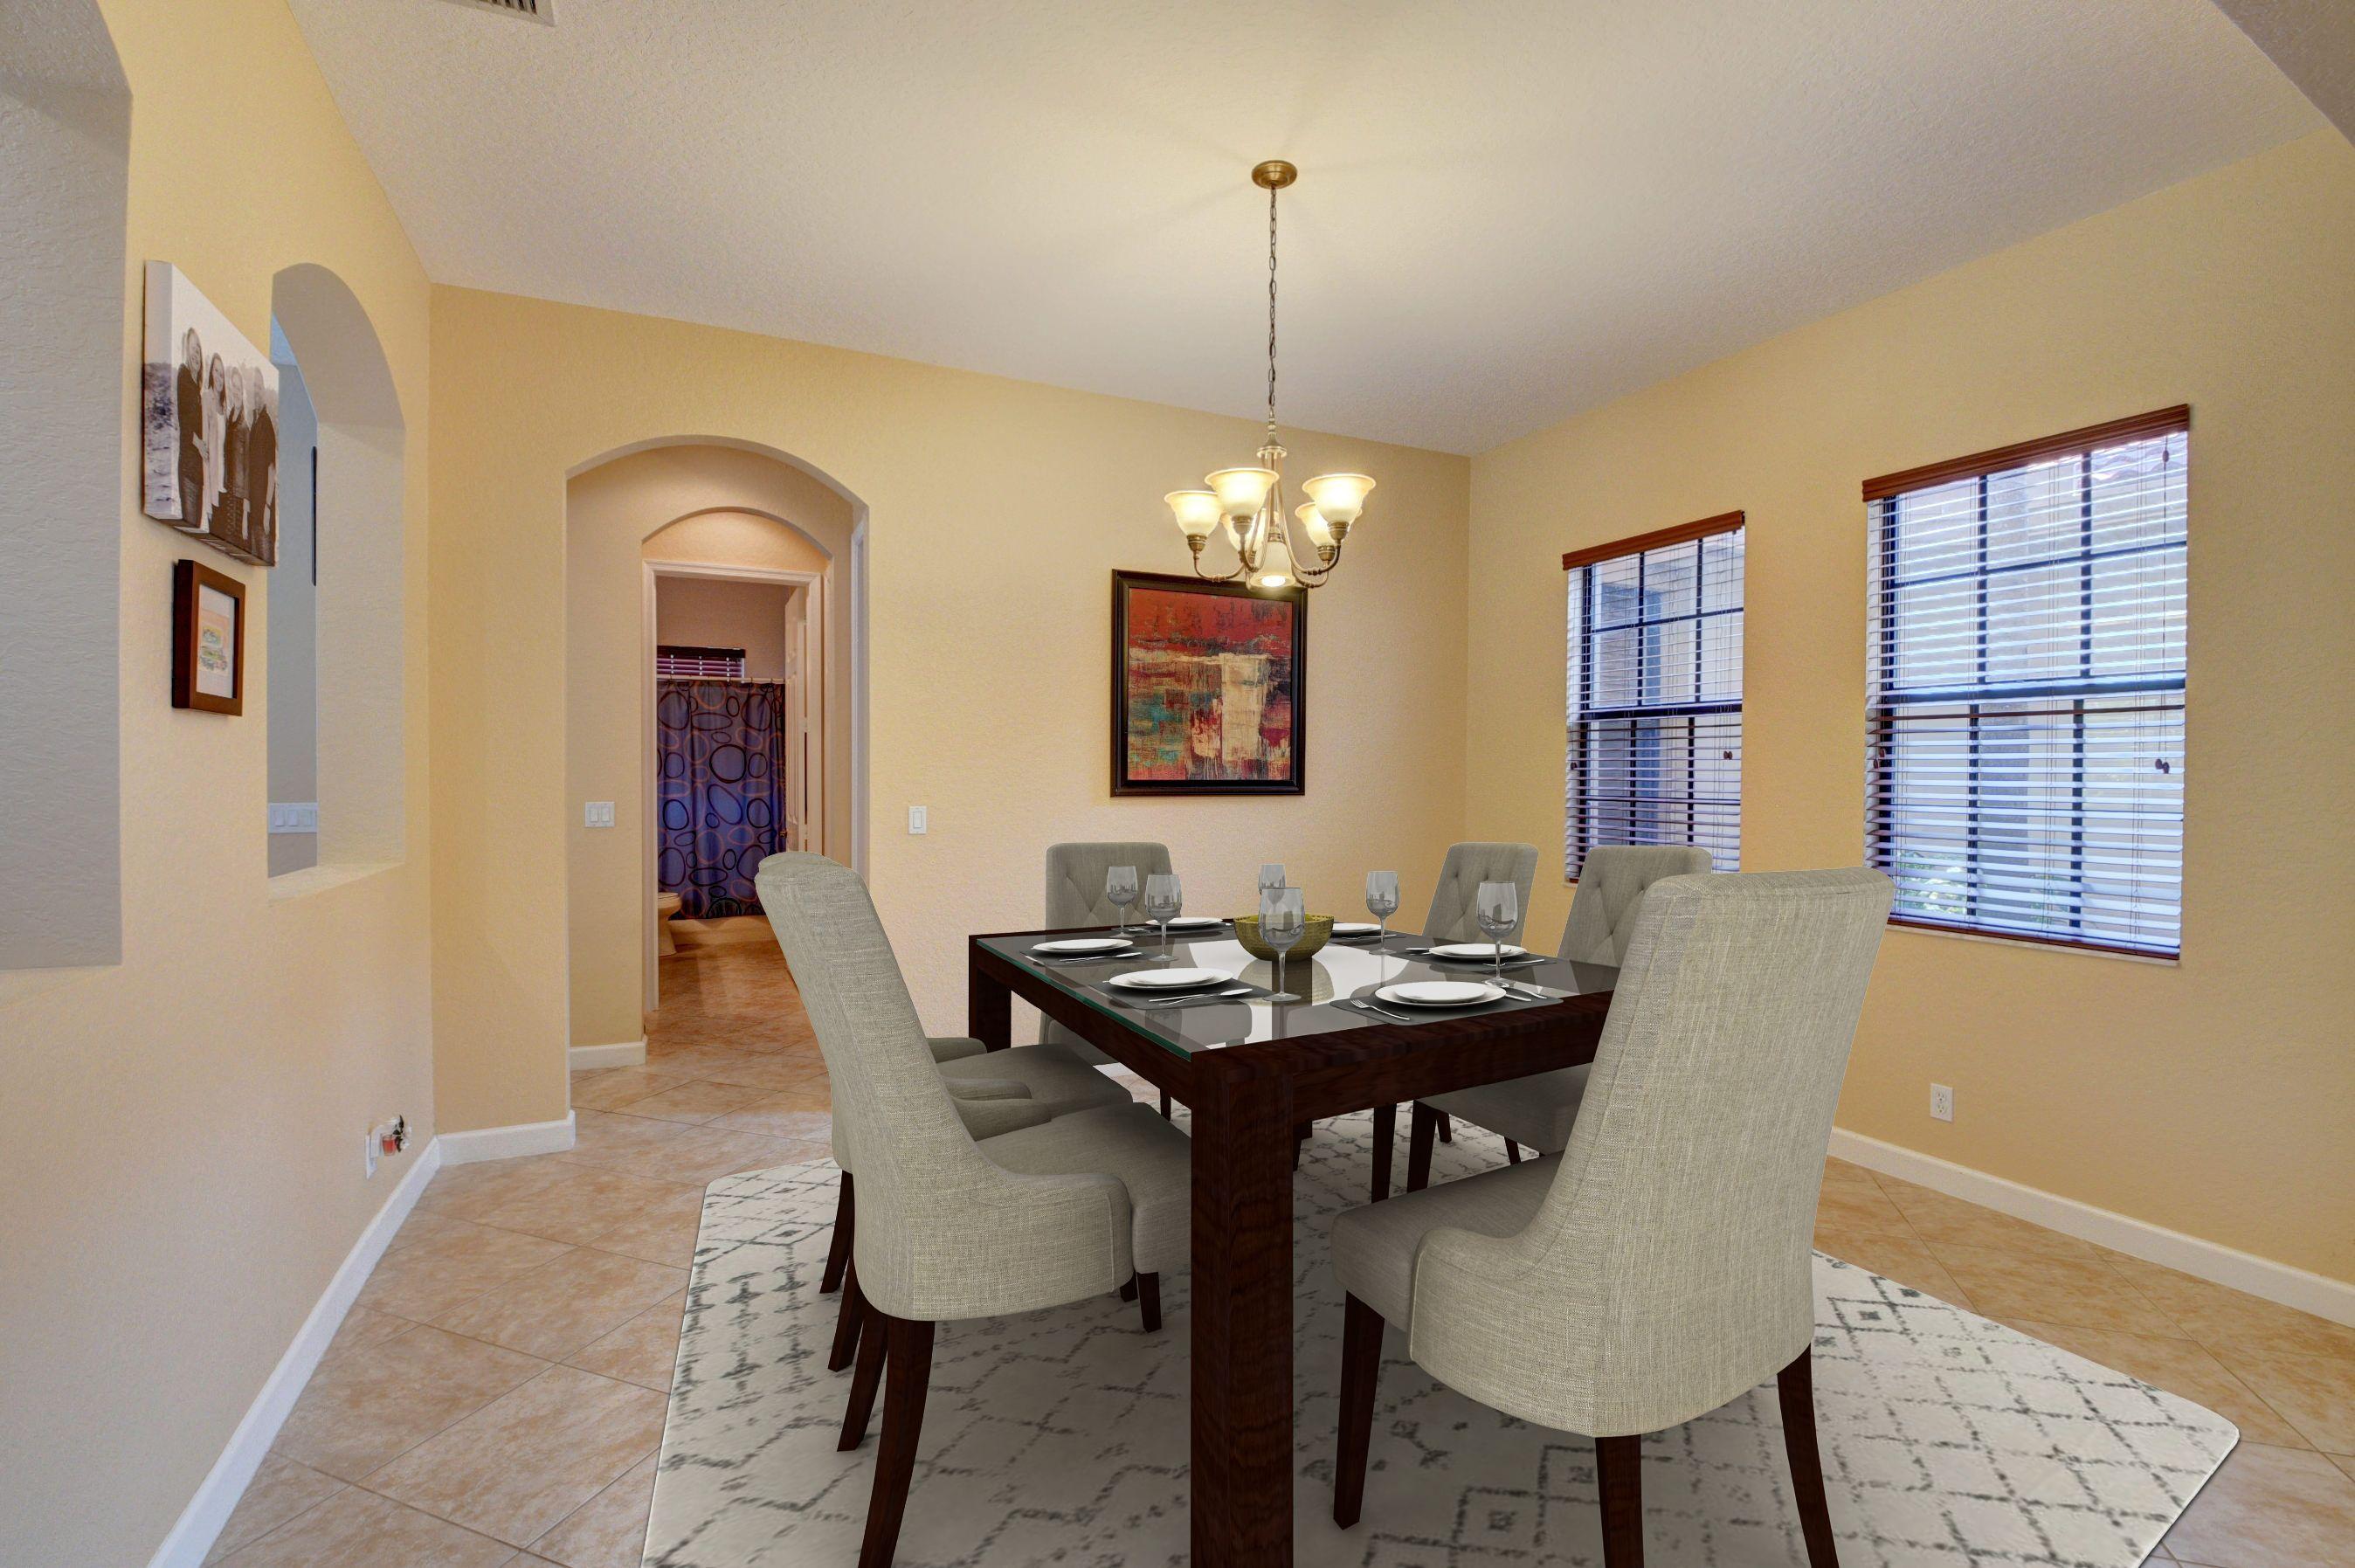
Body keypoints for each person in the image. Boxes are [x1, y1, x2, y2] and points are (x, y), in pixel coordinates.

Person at [245, 372, 277, 563]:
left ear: (263, 391)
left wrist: (266, 508)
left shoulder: (265, 424)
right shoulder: (255, 422)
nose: (255, 391)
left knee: (264, 554)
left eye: (258, 387)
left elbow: (272, 468)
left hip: (263, 511)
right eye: (253, 387)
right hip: (254, 509)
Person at [218, 364, 251, 554]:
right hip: (227, 483)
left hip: (238, 490)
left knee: (235, 538)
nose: (236, 391)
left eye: (239, 388)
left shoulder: (245, 424)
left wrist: (246, 504)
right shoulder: (230, 416)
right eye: (233, 387)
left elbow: (247, 466)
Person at [175, 328, 204, 522]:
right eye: (193, 348)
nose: (196, 354)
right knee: (190, 524)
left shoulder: (197, 386)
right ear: (186, 350)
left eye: (199, 350)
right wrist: (199, 444)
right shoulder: (184, 375)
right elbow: (184, 422)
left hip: (198, 471)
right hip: (188, 468)